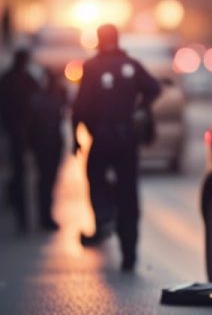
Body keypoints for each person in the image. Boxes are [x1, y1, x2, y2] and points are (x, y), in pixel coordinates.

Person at [72, 23, 161, 271]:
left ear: (99, 41)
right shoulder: (131, 65)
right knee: (128, 193)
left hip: (101, 138)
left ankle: (104, 215)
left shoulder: (91, 67)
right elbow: (155, 88)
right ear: (118, 39)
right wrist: (139, 108)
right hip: (127, 139)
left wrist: (75, 138)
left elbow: (79, 106)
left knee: (94, 176)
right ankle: (129, 254)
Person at [0, 48, 41, 232]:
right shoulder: (20, 79)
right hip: (18, 133)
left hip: (20, 133)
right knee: (19, 173)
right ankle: (21, 216)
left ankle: (22, 216)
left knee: (20, 173)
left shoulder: (14, 79)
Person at [27, 69, 67, 230]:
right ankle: (45, 216)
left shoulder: (39, 99)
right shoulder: (45, 100)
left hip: (47, 144)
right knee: (46, 181)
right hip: (47, 144)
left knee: (46, 181)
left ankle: (44, 216)